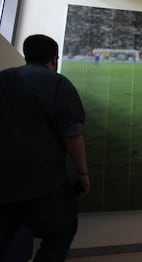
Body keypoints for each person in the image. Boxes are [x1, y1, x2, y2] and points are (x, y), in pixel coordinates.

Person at [0, 34, 90, 261]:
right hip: (44, 182)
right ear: (54, 59)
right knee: (61, 232)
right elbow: (72, 134)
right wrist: (82, 173)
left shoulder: (3, 79)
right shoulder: (58, 83)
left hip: (3, 181)